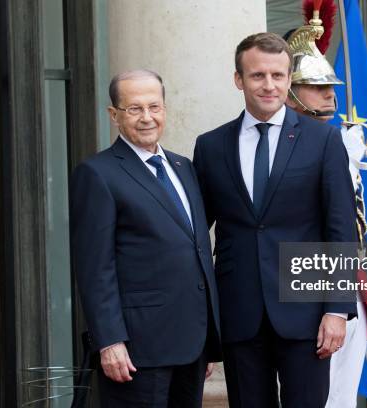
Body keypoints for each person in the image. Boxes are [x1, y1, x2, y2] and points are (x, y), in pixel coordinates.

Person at [193, 33, 357, 407]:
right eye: (258, 76)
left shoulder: (323, 142)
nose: (269, 85)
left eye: (278, 76)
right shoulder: (211, 146)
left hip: (308, 312)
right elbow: (197, 238)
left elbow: (341, 228)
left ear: (288, 80)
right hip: (239, 312)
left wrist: (336, 309)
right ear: (239, 80)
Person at [70, 70, 221, 408]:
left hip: (191, 345)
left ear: (165, 109)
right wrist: (109, 341)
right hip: (137, 349)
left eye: (154, 106)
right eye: (134, 109)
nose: (147, 117)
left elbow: (196, 250)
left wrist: (208, 339)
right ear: (114, 115)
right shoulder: (97, 174)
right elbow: (96, 269)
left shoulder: (183, 167)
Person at [285, 3, 367, 406]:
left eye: (331, 87)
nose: (330, 94)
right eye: (317, 87)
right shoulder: (288, 147)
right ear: (290, 91)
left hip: (351, 281)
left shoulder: (344, 140)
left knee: (341, 393)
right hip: (304, 287)